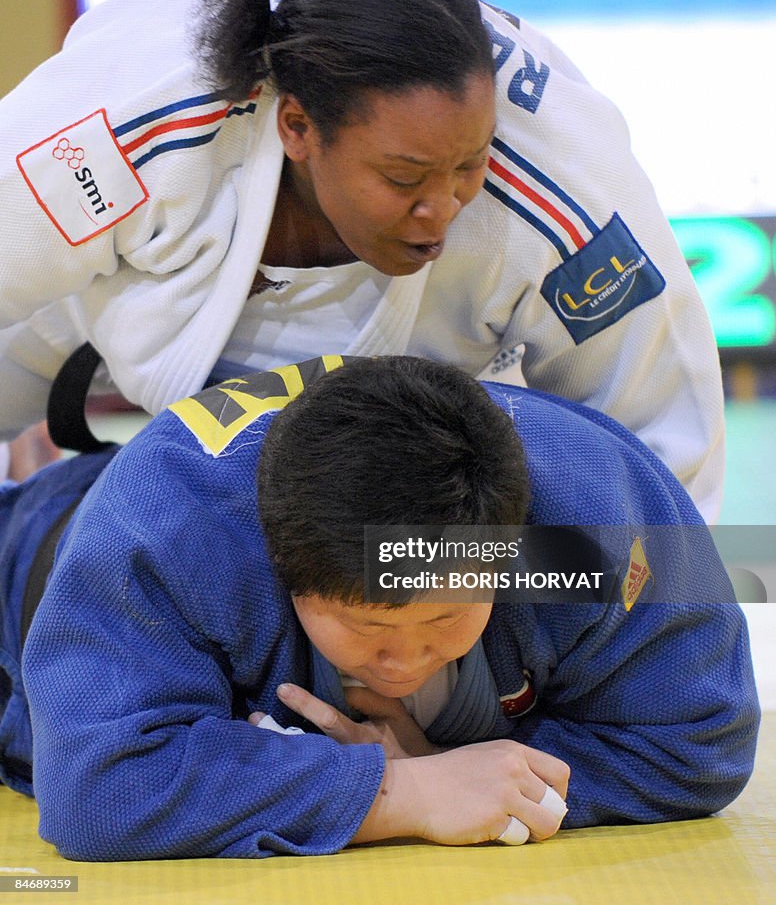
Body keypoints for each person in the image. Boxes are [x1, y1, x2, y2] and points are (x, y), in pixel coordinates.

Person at [0, 0, 724, 518]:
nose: (440, 210)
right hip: (92, 314)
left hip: (431, 422)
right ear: (297, 127)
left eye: (469, 167)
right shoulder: (129, 130)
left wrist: (522, 622)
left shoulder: (563, 188)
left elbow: (667, 467)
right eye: (404, 177)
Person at [0, 355, 758, 861]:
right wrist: (401, 794)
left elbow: (701, 739)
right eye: (367, 628)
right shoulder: (177, 536)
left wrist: (477, 773)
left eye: (445, 620)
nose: (403, 662)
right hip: (44, 548)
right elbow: (101, 788)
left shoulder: (588, 527)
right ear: (283, 573)